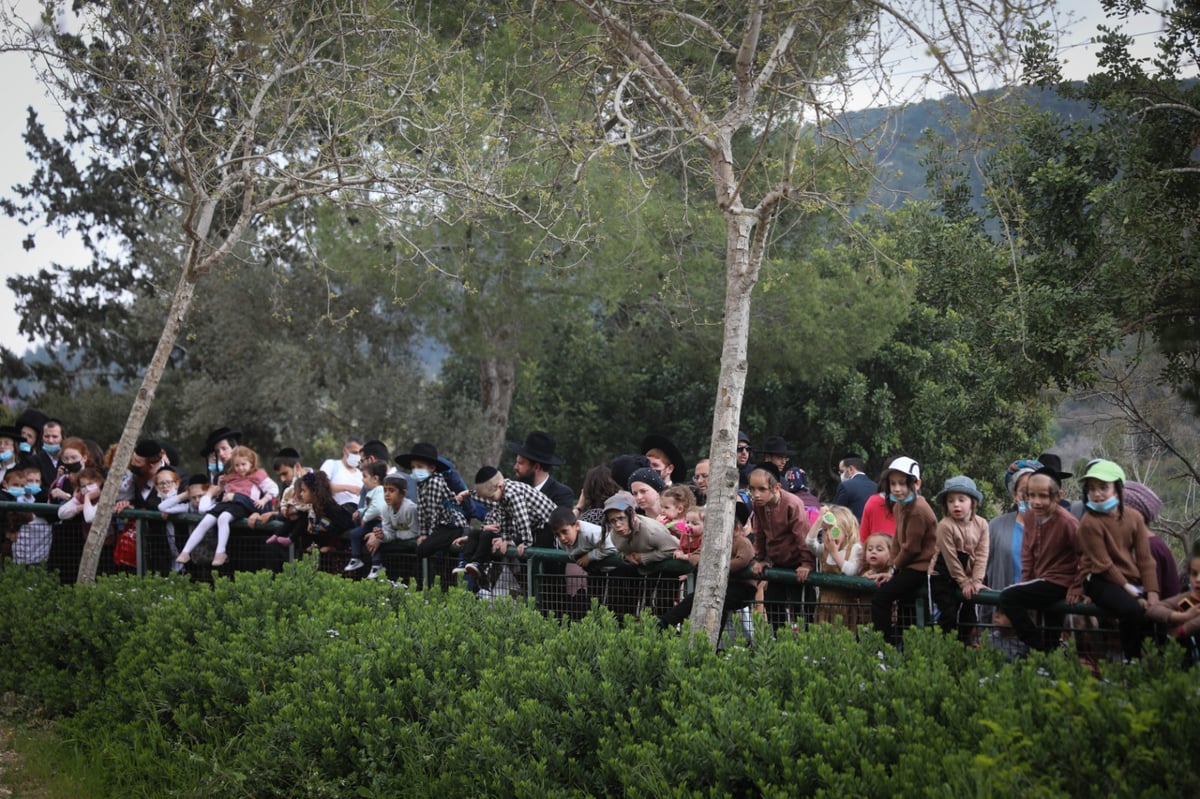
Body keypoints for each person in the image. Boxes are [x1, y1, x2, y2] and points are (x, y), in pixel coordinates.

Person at [1077, 459, 1159, 661]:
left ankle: (1154, 663)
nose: (1096, 494)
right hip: (1100, 578)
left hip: (1130, 578)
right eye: (1092, 488)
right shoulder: (1089, 522)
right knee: (1131, 609)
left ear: (1118, 489)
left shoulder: (1134, 518)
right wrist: (1128, 588)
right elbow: (1103, 563)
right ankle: (1130, 660)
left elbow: (1144, 558)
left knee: (1154, 612)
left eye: (1103, 487)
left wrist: (1152, 593)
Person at [998, 468, 1084, 654]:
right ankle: (1048, 654)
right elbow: (1028, 553)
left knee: (1007, 596)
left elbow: (1085, 555)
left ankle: (1039, 647)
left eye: (1043, 496)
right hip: (1042, 581)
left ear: (1057, 496)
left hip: (1059, 581)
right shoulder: (1030, 516)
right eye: (1032, 495)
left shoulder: (1067, 521)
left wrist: (1077, 585)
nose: (1036, 502)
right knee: (1050, 625)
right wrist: (1025, 581)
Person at [659, 500, 757, 636]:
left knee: (718, 602)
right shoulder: (713, 540)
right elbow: (696, 555)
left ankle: (712, 641)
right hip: (720, 584)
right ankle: (665, 623)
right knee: (696, 598)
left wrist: (717, 568)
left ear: (735, 528)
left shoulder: (742, 542)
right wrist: (707, 564)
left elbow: (743, 560)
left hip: (742, 587)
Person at [870, 456, 937, 646]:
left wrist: (894, 569)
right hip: (907, 566)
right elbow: (898, 540)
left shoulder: (918, 509)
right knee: (904, 610)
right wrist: (892, 568)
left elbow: (912, 548)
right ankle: (898, 649)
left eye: (902, 483)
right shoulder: (900, 506)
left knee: (881, 599)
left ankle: (884, 646)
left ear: (915, 484)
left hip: (921, 568)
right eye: (892, 484)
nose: (897, 489)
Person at [176, 445, 277, 568]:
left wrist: (263, 499)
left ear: (251, 463)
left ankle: (220, 552)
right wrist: (222, 487)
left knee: (223, 518)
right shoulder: (231, 477)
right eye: (237, 465)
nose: (240, 468)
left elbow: (273, 488)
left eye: (243, 464)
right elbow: (223, 493)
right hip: (227, 503)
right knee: (206, 520)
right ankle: (186, 551)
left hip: (242, 504)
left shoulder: (257, 475)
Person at [459, 466, 558, 587]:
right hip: (537, 526)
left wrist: (526, 541)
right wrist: (507, 539)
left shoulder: (513, 494)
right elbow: (505, 518)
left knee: (545, 566)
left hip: (550, 524)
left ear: (500, 487)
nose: (492, 501)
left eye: (492, 497)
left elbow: (522, 518)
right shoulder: (501, 495)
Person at [748, 466, 815, 630]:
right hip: (777, 561)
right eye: (752, 489)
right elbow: (759, 532)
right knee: (772, 604)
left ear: (776, 487)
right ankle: (780, 642)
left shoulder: (792, 504)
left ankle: (806, 645)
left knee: (802, 609)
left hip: (797, 561)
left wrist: (806, 563)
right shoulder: (759, 505)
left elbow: (802, 535)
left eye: (762, 489)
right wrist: (761, 559)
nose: (756, 494)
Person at [928, 476, 989, 644]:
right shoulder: (945, 525)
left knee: (969, 616)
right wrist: (963, 583)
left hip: (969, 574)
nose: (956, 504)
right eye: (951, 501)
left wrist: (976, 581)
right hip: (943, 574)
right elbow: (950, 558)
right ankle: (943, 649)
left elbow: (982, 554)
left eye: (961, 500)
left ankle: (965, 651)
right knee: (948, 615)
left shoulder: (982, 524)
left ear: (972, 502)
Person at [396, 443, 469, 561]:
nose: (415, 470)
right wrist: (423, 534)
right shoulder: (421, 484)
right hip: (440, 528)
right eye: (413, 467)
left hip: (452, 526)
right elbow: (423, 512)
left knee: (424, 550)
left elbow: (433, 513)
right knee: (423, 549)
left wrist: (430, 536)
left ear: (432, 468)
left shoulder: (434, 482)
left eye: (419, 466)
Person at [807, 505, 867, 629]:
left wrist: (834, 553)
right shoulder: (825, 549)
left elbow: (851, 572)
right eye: (825, 530)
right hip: (824, 604)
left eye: (832, 530)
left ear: (846, 530)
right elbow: (809, 543)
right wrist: (819, 520)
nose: (828, 534)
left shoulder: (855, 549)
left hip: (845, 607)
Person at [1145, 553, 1200, 666]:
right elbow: (1153, 610)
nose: (1198, 579)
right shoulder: (1186, 597)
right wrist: (1182, 616)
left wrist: (1182, 630)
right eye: (1194, 574)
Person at [363, 474, 419, 581]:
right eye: (385, 490)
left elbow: (414, 532)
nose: (387, 494)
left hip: (413, 551)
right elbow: (389, 531)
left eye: (391, 490)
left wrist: (394, 534)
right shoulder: (385, 509)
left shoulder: (410, 509)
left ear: (403, 493)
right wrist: (382, 536)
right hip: (399, 548)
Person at [508, 431, 575, 508]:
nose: (515, 467)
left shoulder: (561, 495)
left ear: (537, 467)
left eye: (520, 463)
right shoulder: (513, 490)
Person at [343, 460, 388, 575]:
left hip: (378, 523)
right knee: (355, 533)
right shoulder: (371, 491)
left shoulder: (379, 490)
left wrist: (365, 517)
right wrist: (359, 511)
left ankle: (377, 564)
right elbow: (368, 507)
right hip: (371, 521)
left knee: (373, 539)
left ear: (375, 478)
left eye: (365, 476)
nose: (362, 480)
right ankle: (355, 558)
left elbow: (377, 508)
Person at [320, 437, 364, 510]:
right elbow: (321, 485)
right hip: (332, 514)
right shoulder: (331, 465)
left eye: (360, 454)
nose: (358, 456)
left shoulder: (362, 475)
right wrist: (347, 488)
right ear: (344, 450)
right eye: (355, 452)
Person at [833, 454, 875, 521]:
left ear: (850, 469)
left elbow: (836, 514)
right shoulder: (875, 486)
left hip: (852, 529)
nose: (841, 475)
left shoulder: (845, 486)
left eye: (842, 471)